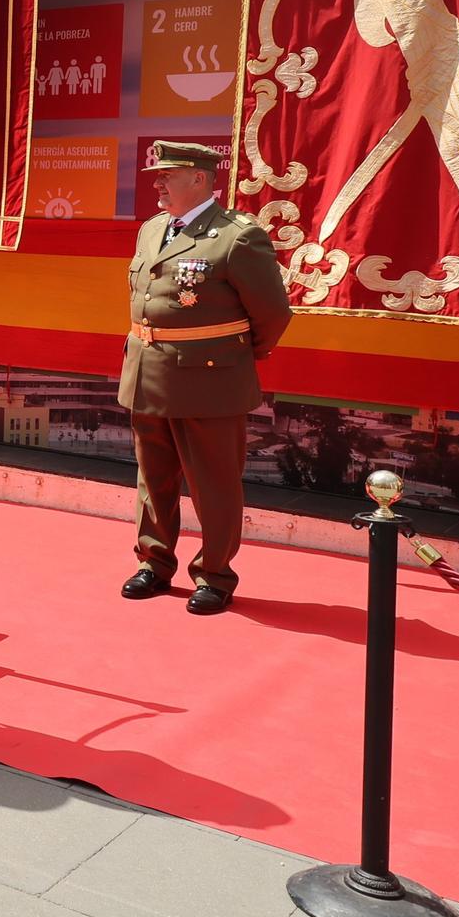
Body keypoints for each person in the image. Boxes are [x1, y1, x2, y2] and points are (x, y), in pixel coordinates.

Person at [119, 141, 292, 615]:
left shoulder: (237, 236)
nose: (156, 184)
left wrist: (235, 357)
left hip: (209, 381)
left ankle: (215, 574)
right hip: (148, 373)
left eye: (165, 176)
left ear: (198, 179)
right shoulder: (153, 230)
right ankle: (154, 563)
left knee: (213, 484)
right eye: (156, 176)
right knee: (152, 479)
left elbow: (273, 313)